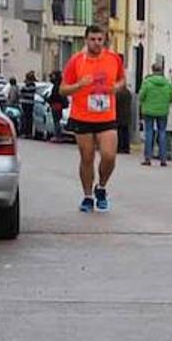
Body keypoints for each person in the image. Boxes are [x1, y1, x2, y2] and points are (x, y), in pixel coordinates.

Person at [60, 24, 127, 212]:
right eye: (93, 39)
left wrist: (117, 87)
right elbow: (62, 89)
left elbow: (122, 80)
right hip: (82, 116)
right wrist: (79, 85)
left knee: (109, 155)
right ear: (86, 40)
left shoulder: (113, 59)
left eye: (100, 39)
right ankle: (88, 196)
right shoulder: (76, 61)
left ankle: (102, 187)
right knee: (87, 157)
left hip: (106, 115)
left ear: (104, 40)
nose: (96, 43)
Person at [138, 56, 172, 166]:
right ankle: (163, 158)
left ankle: (148, 158)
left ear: (152, 70)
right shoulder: (168, 83)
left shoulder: (147, 82)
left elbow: (141, 96)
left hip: (148, 110)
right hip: (163, 111)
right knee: (162, 132)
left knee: (149, 133)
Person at [115, 77, 135, 155]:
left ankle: (119, 147)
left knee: (119, 132)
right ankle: (126, 148)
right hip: (126, 115)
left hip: (119, 115)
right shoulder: (128, 92)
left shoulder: (117, 93)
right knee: (126, 132)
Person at [47, 70, 67, 140]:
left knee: (56, 121)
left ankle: (57, 136)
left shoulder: (56, 85)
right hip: (59, 105)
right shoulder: (60, 84)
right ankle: (59, 135)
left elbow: (55, 96)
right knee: (58, 120)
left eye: (53, 76)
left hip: (56, 104)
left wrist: (49, 99)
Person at [17, 71, 38, 137]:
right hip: (26, 103)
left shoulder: (31, 85)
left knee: (27, 118)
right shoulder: (30, 85)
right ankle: (26, 132)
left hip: (28, 103)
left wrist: (23, 89)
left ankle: (27, 132)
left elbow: (23, 91)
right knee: (26, 118)